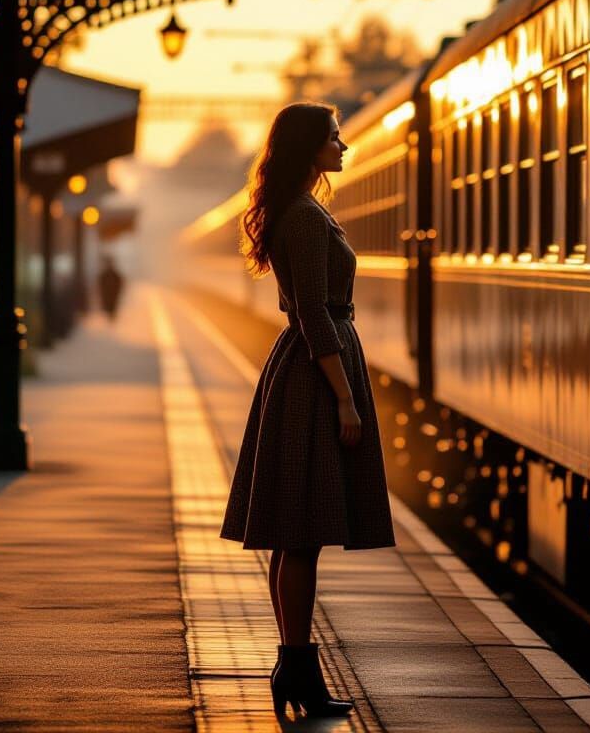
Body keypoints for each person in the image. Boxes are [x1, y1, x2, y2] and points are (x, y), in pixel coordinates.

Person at [220, 102, 395, 720]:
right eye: (334, 138)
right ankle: (296, 667)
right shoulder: (302, 216)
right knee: (300, 536)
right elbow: (316, 311)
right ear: (308, 147)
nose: (344, 147)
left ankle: (293, 669)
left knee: (295, 536)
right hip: (314, 376)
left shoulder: (300, 209)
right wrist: (344, 396)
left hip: (307, 369)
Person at [96, 256, 124, 321]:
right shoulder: (105, 274)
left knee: (111, 305)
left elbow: (119, 282)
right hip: (109, 294)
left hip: (112, 294)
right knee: (109, 305)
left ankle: (111, 316)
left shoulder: (112, 274)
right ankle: (110, 316)